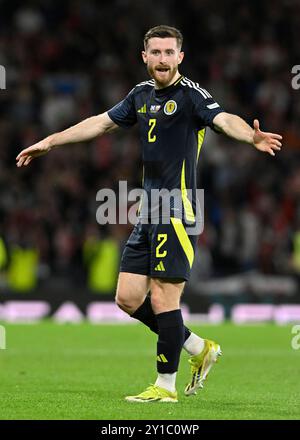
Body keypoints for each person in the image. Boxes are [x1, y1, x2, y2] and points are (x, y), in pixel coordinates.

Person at [16, 25, 282, 403]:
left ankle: (165, 386)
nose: (162, 59)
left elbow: (224, 119)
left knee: (163, 299)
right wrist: (50, 141)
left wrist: (250, 136)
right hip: (149, 211)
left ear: (180, 57)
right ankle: (196, 347)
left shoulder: (191, 96)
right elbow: (101, 122)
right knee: (126, 298)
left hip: (177, 211)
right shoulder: (139, 95)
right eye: (155, 52)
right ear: (144, 57)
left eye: (168, 52)